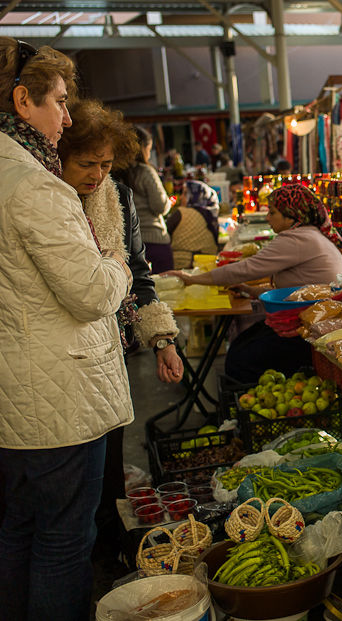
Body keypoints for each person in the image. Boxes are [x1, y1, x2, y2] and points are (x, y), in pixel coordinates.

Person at [0, 38, 133, 621]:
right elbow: (92, 293)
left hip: (19, 393)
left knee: (19, 531)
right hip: (57, 398)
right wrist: (118, 265)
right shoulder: (34, 185)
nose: (68, 116)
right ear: (22, 101)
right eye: (59, 101)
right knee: (62, 541)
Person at [57, 98, 183, 560]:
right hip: (58, 355)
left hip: (110, 354)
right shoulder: (46, 203)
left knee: (108, 462)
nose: (96, 174)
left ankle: (109, 552)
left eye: (106, 164)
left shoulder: (120, 197)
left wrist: (162, 341)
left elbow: (139, 276)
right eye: (85, 163)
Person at [166, 184, 342, 382]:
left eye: (273, 212)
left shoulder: (296, 239)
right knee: (241, 344)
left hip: (311, 330)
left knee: (240, 359)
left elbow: (244, 269)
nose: (267, 217)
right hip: (312, 319)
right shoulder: (309, 234)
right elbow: (293, 288)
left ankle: (262, 405)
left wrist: (192, 279)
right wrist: (248, 290)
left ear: (291, 217)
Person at [114, 126, 175, 273]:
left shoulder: (114, 172)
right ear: (143, 149)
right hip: (155, 241)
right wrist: (169, 202)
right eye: (149, 148)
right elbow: (159, 206)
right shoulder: (144, 171)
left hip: (127, 244)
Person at [166, 179, 221, 269]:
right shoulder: (211, 215)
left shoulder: (182, 212)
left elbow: (164, 235)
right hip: (208, 265)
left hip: (181, 264)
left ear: (194, 195)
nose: (181, 197)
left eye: (185, 193)